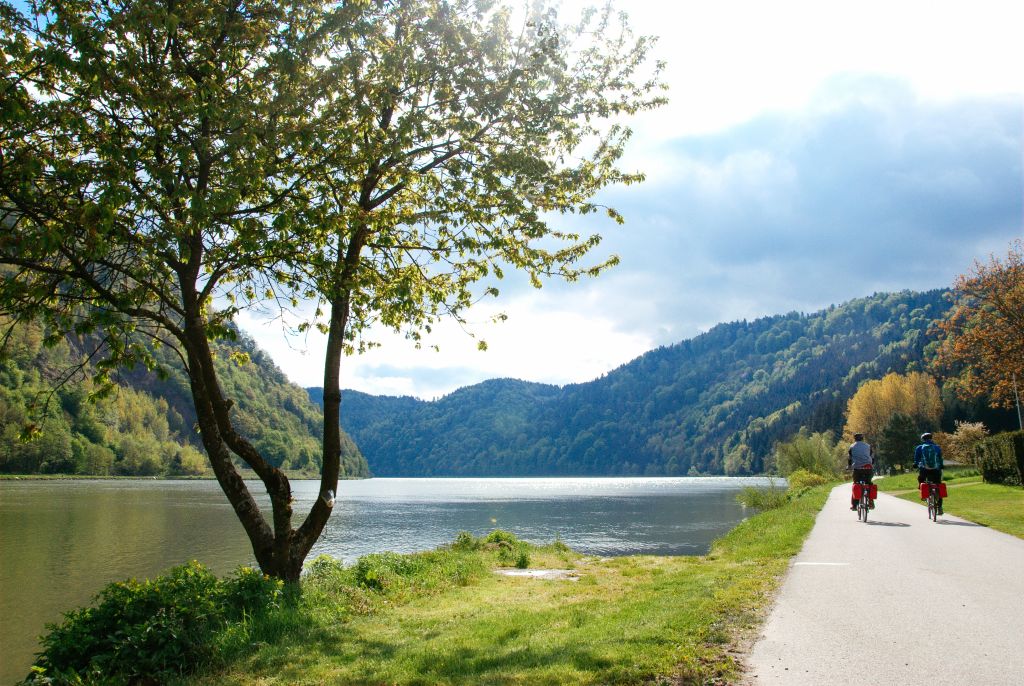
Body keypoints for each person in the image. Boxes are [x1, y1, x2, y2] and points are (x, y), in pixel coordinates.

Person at [914, 432, 944, 514]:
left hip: (924, 470)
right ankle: (940, 507)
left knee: (920, 479)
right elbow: (940, 459)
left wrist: (916, 464)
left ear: (923, 439)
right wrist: (941, 466)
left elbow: (916, 459)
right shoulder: (937, 447)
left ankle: (923, 493)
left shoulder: (919, 448)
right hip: (936, 470)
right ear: (931, 439)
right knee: (938, 486)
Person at [848, 432, 874, 510]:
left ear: (855, 439)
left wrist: (849, 466)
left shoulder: (852, 447)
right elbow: (872, 457)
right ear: (862, 439)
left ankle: (854, 505)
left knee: (856, 484)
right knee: (869, 484)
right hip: (868, 468)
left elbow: (849, 458)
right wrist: (871, 464)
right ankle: (871, 502)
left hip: (857, 469)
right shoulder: (868, 446)